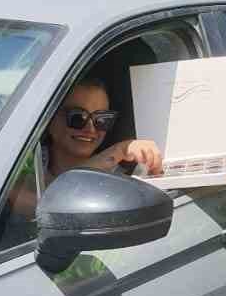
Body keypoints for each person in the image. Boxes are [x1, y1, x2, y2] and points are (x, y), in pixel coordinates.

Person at [9, 76, 162, 218]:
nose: (90, 128)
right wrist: (117, 151)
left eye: (102, 119)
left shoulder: (121, 183)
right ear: (49, 118)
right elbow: (42, 203)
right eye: (78, 117)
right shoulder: (23, 159)